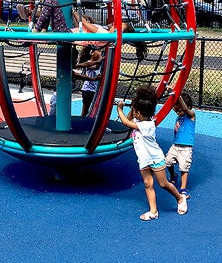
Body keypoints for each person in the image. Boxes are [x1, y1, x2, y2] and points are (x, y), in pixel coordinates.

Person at [117, 85, 188, 220]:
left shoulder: (147, 125)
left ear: (139, 113)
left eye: (135, 111)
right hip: (144, 159)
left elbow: (125, 122)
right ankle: (153, 211)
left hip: (155, 158)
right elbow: (130, 118)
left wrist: (119, 109)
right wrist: (133, 107)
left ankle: (180, 198)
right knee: (147, 184)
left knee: (163, 184)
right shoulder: (140, 120)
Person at [164, 90, 196, 199]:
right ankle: (173, 175)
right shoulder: (178, 117)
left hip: (186, 148)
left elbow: (185, 109)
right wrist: (172, 95)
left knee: (184, 167)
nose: (178, 112)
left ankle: (183, 189)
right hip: (175, 145)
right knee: (167, 162)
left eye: (180, 110)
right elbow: (174, 107)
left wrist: (178, 97)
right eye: (176, 110)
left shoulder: (191, 116)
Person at [74, 46, 103, 117]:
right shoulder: (89, 62)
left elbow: (97, 67)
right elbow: (95, 67)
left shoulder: (98, 63)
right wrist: (100, 59)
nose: (100, 53)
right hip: (87, 90)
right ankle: (82, 121)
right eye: (98, 51)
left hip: (95, 90)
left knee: (96, 109)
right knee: (85, 110)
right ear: (92, 52)